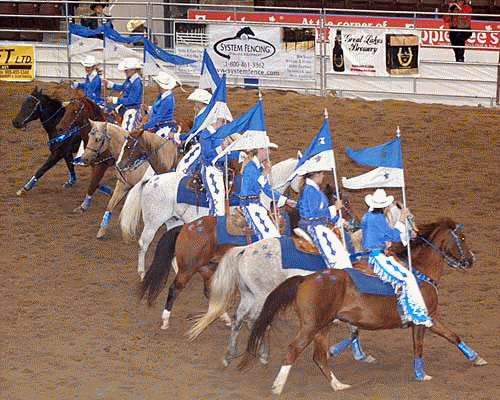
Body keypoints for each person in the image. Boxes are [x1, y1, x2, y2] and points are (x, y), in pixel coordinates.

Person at [361, 188, 433, 328]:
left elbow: (385, 233)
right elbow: (393, 236)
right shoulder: (379, 218)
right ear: (384, 206)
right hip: (378, 256)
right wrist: (400, 220)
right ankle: (415, 313)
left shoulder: (367, 216)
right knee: (407, 278)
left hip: (373, 253)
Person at [240, 143, 297, 239]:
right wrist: (265, 172)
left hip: (256, 204)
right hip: (248, 204)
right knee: (266, 234)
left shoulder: (260, 168)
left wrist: (285, 200)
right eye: (267, 149)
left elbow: (267, 190)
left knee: (273, 233)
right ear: (259, 150)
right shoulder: (250, 167)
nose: (269, 152)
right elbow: (255, 187)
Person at [297, 169, 351, 269]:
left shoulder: (315, 189)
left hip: (320, 224)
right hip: (312, 225)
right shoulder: (310, 190)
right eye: (321, 174)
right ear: (317, 174)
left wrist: (340, 221)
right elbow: (313, 213)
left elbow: (325, 212)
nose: (323, 176)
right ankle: (337, 269)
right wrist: (335, 207)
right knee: (334, 254)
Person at [198, 117, 235, 216]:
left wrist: (241, 155)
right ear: (214, 120)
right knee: (218, 205)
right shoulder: (205, 135)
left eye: (225, 122)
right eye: (222, 121)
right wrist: (221, 148)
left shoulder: (222, 135)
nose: (224, 124)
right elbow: (207, 157)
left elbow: (229, 153)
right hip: (211, 170)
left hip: (223, 168)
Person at [104, 57, 143, 131]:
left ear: (133, 70)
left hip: (133, 109)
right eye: (125, 70)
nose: (125, 72)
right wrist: (110, 84)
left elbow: (132, 100)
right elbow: (123, 87)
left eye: (127, 70)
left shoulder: (137, 83)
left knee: (126, 130)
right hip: (125, 106)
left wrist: (115, 100)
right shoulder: (129, 79)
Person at [142, 71, 176, 136]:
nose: (157, 86)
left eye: (158, 84)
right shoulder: (162, 96)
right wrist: (148, 108)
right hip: (158, 125)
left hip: (164, 127)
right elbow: (158, 108)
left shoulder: (168, 99)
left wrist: (144, 127)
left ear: (161, 86)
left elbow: (158, 117)